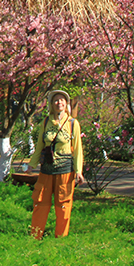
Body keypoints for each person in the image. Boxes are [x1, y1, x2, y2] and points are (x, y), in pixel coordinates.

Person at [28, 89, 84, 239]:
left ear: (66, 104)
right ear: (52, 104)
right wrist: (32, 164)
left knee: (63, 205)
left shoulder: (73, 123)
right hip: (46, 169)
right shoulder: (46, 122)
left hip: (65, 170)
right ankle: (35, 236)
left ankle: (61, 238)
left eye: (62, 100)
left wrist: (78, 171)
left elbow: (77, 149)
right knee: (40, 202)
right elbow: (40, 145)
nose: (59, 103)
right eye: (56, 100)